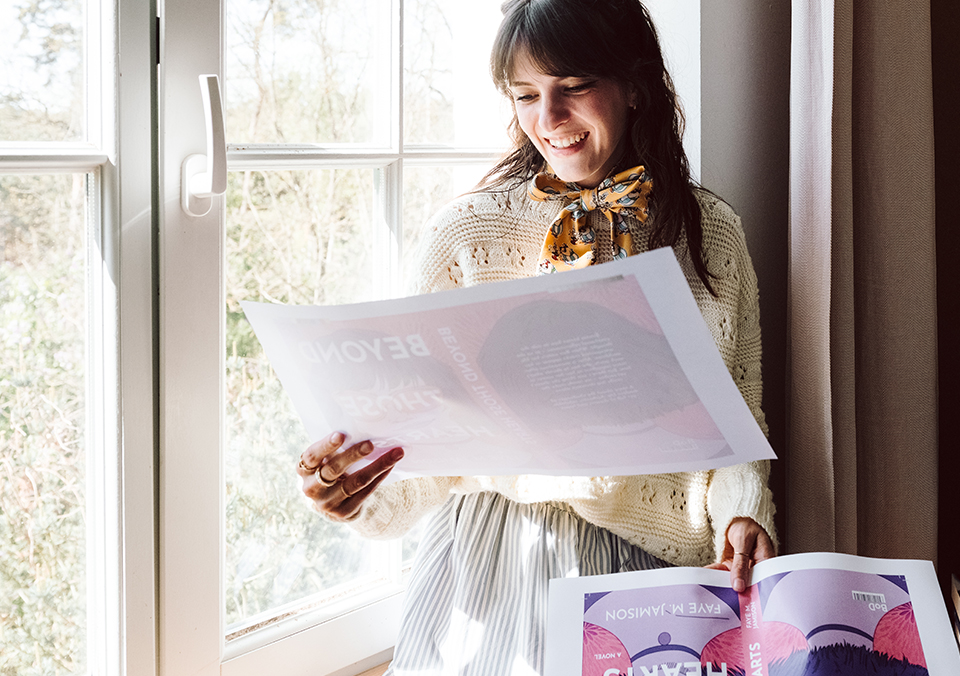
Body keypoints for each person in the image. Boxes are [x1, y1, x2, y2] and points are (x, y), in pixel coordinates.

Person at [296, 0, 777, 673]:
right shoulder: (466, 234)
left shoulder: (710, 234)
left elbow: (737, 420)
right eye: (525, 95)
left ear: (635, 86)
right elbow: (419, 436)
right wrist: (354, 494)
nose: (548, 119)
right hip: (493, 562)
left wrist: (743, 516)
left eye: (574, 88)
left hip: (655, 563)